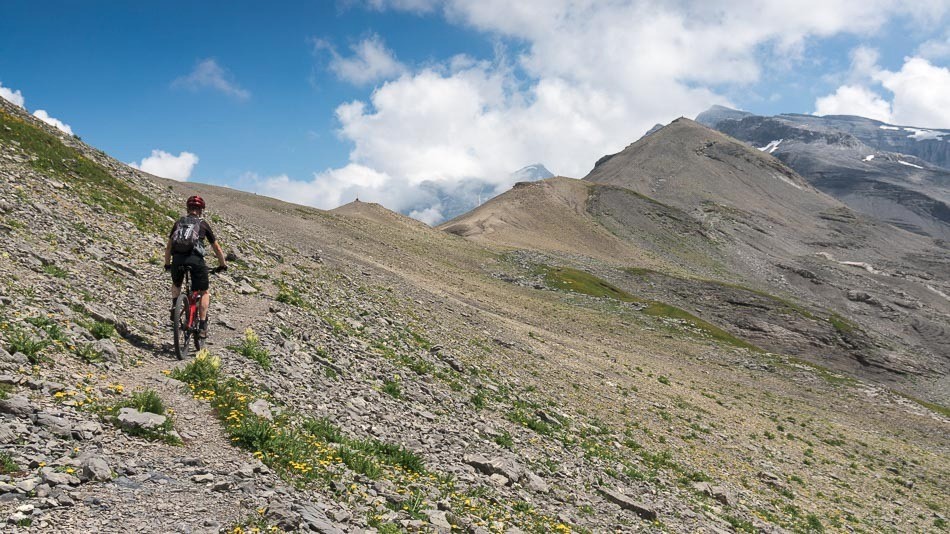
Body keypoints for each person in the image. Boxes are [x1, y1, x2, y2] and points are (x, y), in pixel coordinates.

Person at [163, 195, 227, 338]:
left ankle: (175, 306)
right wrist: (222, 265)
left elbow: (168, 248)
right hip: (196, 261)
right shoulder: (203, 224)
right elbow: (216, 248)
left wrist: (167, 264)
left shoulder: (178, 223)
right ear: (201, 210)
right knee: (204, 292)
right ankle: (203, 325)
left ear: (188, 208)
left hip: (178, 260)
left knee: (176, 283)